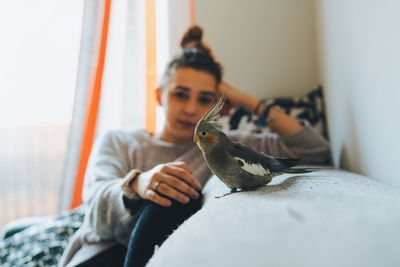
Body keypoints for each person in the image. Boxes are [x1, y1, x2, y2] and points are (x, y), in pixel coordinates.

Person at [59, 25, 331, 267]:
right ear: (159, 95)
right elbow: (94, 212)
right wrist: (140, 184)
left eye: (204, 99)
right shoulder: (119, 141)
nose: (191, 109)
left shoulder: (229, 148)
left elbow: (314, 151)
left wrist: (247, 100)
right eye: (180, 94)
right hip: (103, 253)